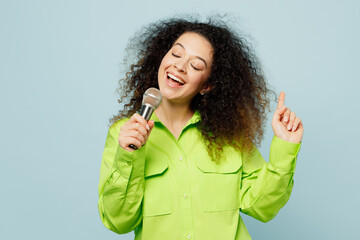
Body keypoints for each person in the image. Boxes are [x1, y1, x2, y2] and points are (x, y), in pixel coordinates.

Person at [98, 17, 303, 240]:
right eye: (176, 54)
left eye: (196, 65)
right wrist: (129, 156)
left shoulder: (229, 136)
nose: (179, 66)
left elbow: (262, 207)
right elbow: (118, 221)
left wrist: (286, 147)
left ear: (207, 85)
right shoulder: (123, 133)